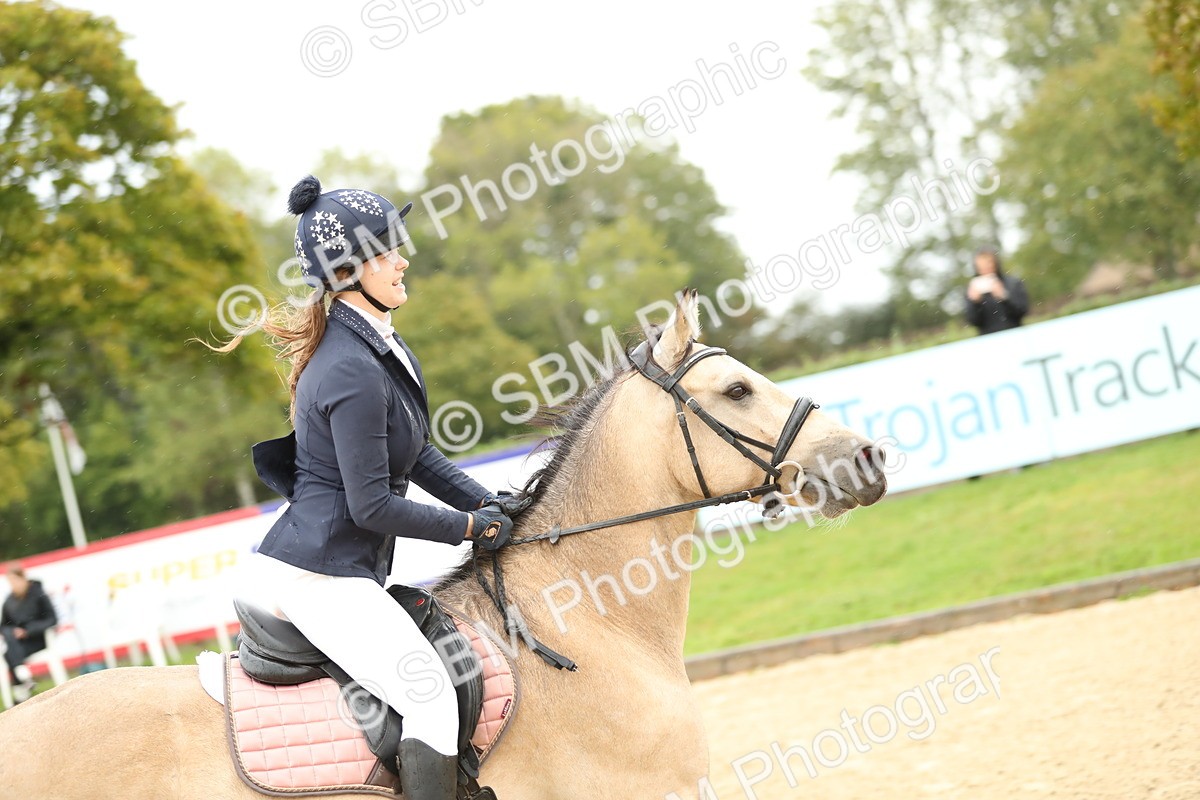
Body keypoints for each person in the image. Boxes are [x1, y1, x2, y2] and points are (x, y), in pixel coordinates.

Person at [216, 176, 519, 799]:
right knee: (430, 695)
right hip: (318, 578)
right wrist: (469, 529)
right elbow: (372, 506)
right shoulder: (350, 367)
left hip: (339, 569)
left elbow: (418, 452)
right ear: (350, 271)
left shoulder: (378, 343)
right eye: (388, 251)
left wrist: (486, 503)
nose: (403, 259)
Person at [1, 564, 58, 703]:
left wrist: (27, 631)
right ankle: (23, 675)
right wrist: (15, 632)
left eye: (15, 580)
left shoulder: (39, 594)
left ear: (23, 578)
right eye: (10, 582)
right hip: (18, 644)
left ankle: (21, 691)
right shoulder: (9, 601)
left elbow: (52, 619)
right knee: (8, 634)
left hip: (38, 640)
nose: (13, 585)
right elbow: (4, 625)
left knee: (9, 654)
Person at [965, 246, 1029, 335]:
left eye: (988, 264)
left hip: (1015, 335)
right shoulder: (973, 288)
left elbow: (1022, 311)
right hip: (988, 341)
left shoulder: (1012, 283)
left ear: (995, 263)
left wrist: (1004, 297)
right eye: (981, 266)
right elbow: (973, 321)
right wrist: (975, 303)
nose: (985, 269)